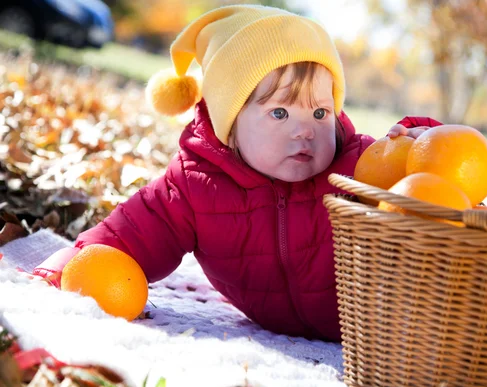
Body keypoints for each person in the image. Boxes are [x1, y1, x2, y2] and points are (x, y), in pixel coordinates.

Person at [32, 4, 441, 341]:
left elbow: (431, 175)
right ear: (230, 122)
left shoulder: (358, 166)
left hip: (385, 330)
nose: (306, 129)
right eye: (279, 112)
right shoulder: (197, 185)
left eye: (320, 111)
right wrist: (78, 259)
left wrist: (422, 139)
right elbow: (133, 232)